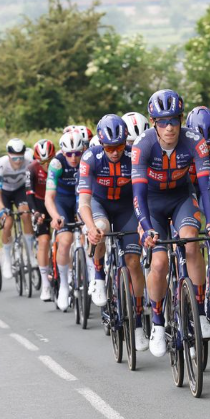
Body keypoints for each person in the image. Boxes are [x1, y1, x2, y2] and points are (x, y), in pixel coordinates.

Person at [133, 89, 210, 357]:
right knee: (159, 262)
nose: (169, 128)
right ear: (153, 122)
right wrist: (145, 228)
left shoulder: (195, 141)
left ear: (181, 119)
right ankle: (157, 321)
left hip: (182, 198)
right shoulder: (142, 145)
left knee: (192, 242)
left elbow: (205, 188)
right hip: (153, 204)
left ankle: (200, 313)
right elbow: (138, 195)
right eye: (162, 121)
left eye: (174, 120)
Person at [79, 115, 149, 351]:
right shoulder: (91, 158)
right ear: (100, 143)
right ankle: (98, 277)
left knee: (133, 262)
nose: (115, 152)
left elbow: (145, 192)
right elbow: (84, 202)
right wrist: (90, 228)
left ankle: (138, 322)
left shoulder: (134, 155)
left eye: (119, 146)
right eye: (110, 147)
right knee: (100, 230)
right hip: (100, 206)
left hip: (127, 208)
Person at [45, 131, 84, 311]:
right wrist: (55, 217)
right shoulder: (56, 163)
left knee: (86, 235)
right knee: (66, 240)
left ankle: (90, 275)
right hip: (61, 200)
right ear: (63, 152)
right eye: (69, 154)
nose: (74, 158)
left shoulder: (86, 159)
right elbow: (49, 197)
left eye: (77, 153)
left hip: (80, 198)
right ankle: (63, 285)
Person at [0, 138, 34, 279]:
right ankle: (7, 260)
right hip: (4, 193)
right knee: (8, 223)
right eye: (14, 158)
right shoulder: (0, 165)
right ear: (8, 155)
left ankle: (30, 254)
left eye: (20, 157)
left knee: (26, 214)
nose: (18, 161)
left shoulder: (29, 161)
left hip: (19, 190)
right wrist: (2, 209)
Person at [26, 139, 56, 301]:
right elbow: (29, 193)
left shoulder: (60, 165)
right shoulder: (31, 168)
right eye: (42, 161)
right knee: (43, 241)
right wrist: (35, 213)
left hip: (56, 202)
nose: (46, 164)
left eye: (49, 160)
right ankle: (45, 283)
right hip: (39, 203)